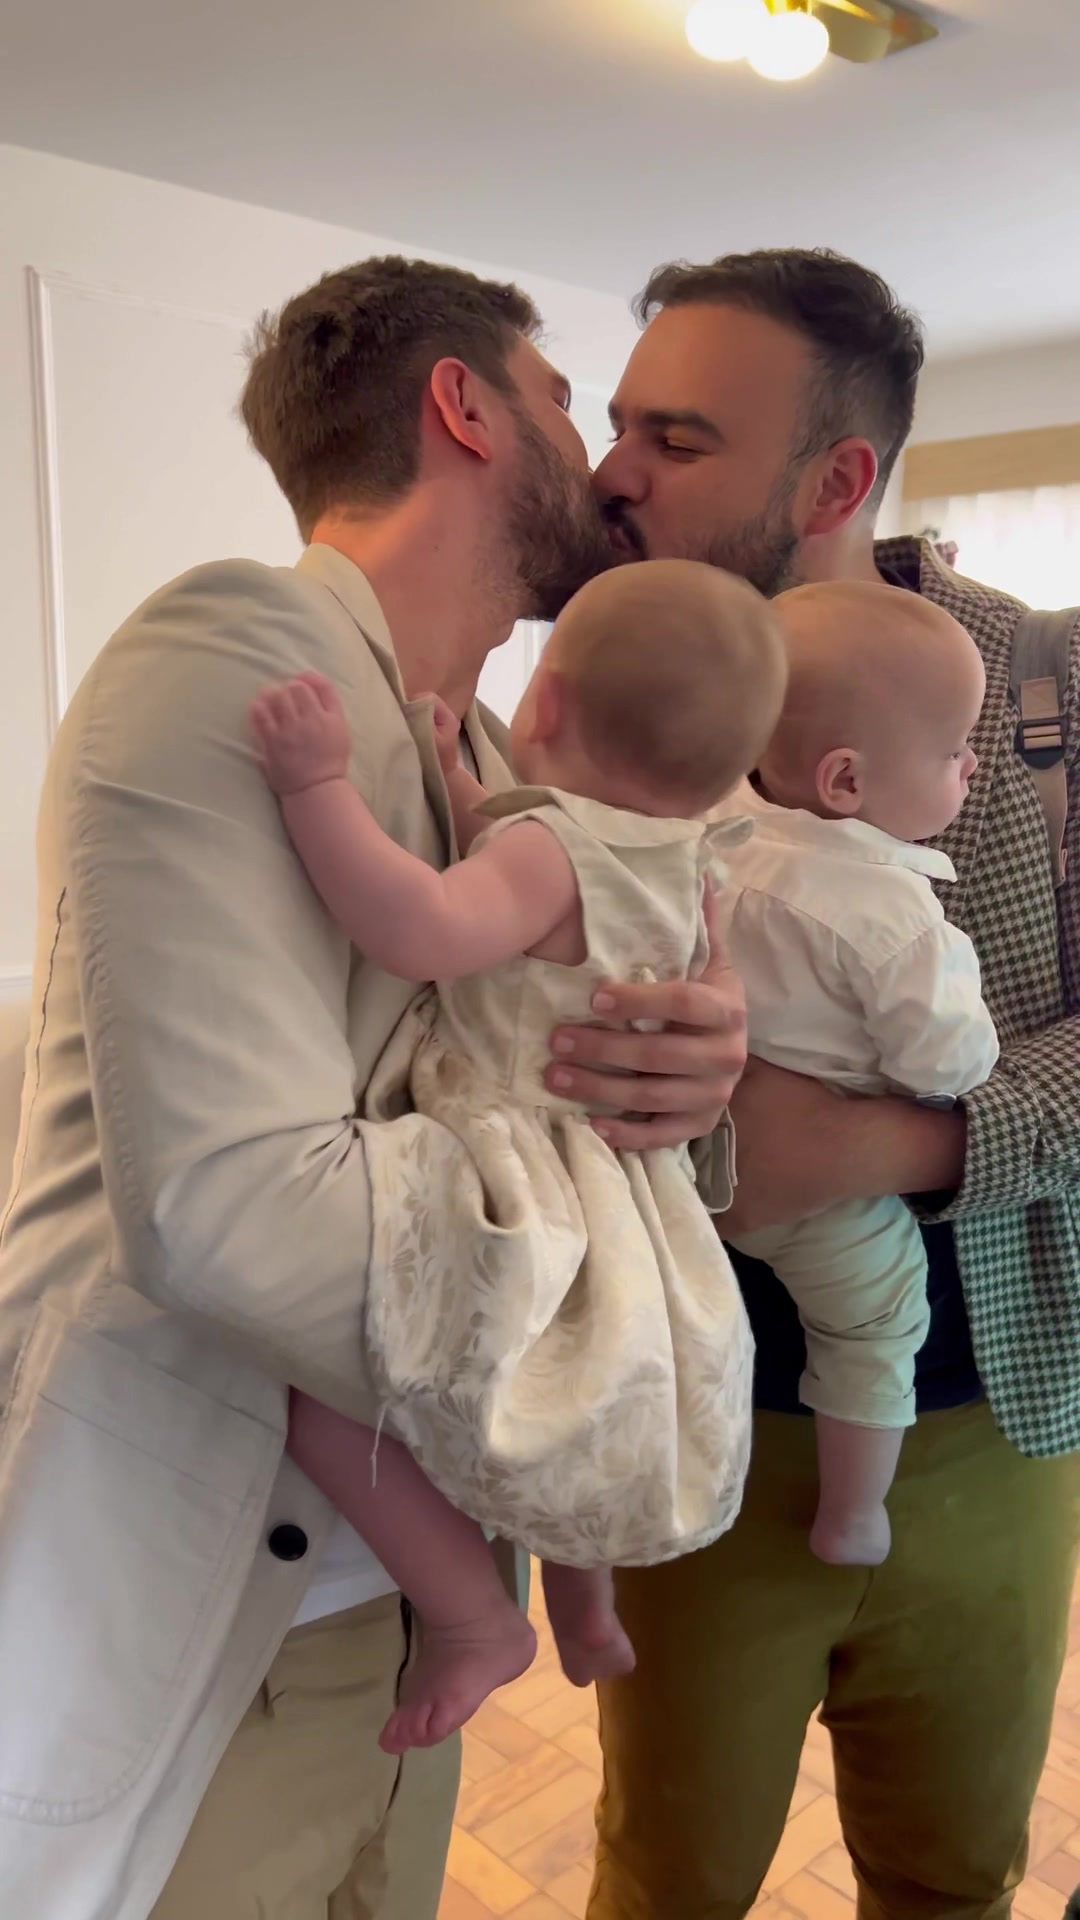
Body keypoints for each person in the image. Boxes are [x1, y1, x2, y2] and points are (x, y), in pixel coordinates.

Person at [0, 257, 747, 1920]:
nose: (607, 462)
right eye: (568, 401)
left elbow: (502, 1083)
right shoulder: (235, 650)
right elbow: (225, 1214)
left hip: (406, 1609)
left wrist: (669, 1083)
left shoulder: (483, 750)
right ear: (463, 407)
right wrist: (596, 1315)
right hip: (213, 1621)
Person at [581, 248, 1080, 1920]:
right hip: (680, 1417)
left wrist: (878, 1142)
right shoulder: (605, 697)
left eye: (675, 437)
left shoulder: (1044, 690)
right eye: (617, 424)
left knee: (954, 1880)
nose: (611, 472)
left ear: (835, 481)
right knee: (666, 1884)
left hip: (987, 1424)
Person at [251, 560, 785, 1754]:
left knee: (321, 1393)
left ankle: (471, 1616)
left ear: (545, 703)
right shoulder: (684, 861)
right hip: (620, 1192)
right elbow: (503, 855)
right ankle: (586, 1609)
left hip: (512, 1164)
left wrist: (317, 788)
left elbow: (422, 924)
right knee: (576, 1389)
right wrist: (451, 774)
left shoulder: (550, 849)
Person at [716, 580, 998, 1566]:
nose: (972, 764)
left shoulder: (714, 828)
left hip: (684, 1151)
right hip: (824, 1199)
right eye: (954, 749)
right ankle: (852, 1512)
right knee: (879, 1315)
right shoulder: (893, 913)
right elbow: (946, 1062)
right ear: (845, 781)